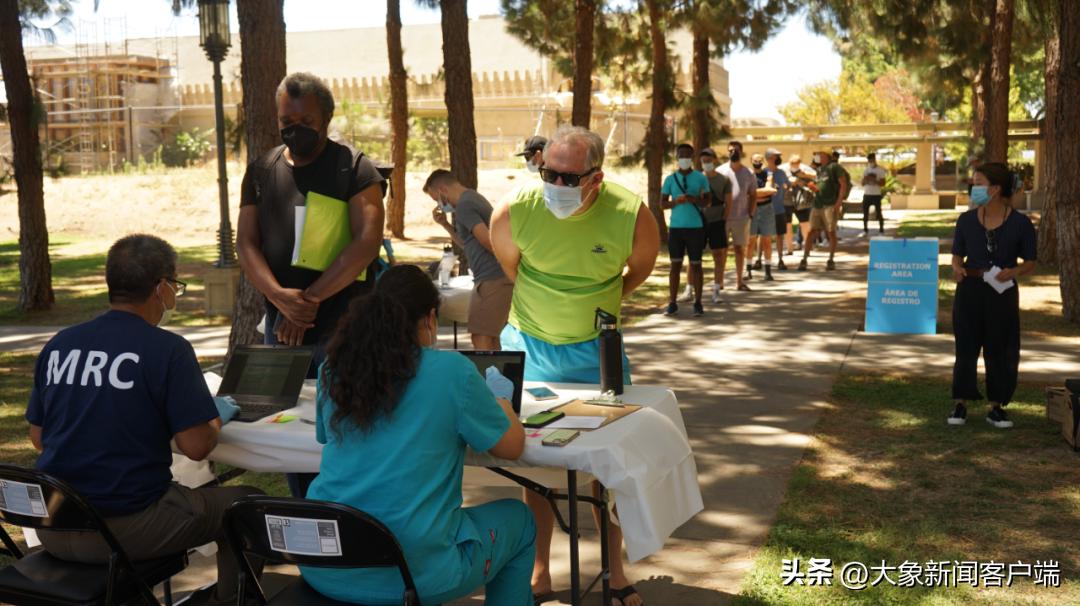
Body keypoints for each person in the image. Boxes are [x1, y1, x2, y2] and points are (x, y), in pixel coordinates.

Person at [27, 235, 262, 606]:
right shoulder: (167, 349)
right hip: (124, 529)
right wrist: (215, 416)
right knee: (249, 505)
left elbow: (39, 437)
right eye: (176, 287)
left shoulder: (60, 344)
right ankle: (229, 601)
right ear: (162, 287)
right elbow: (196, 447)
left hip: (53, 524)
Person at [490, 124, 659, 606]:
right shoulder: (514, 208)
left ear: (596, 177)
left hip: (594, 350)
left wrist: (596, 301)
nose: (556, 185)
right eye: (550, 174)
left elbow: (639, 270)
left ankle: (615, 572)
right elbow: (511, 268)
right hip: (530, 345)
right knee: (534, 461)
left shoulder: (630, 214)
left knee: (609, 466)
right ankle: (539, 572)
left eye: (569, 178)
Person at [300, 265, 534, 604]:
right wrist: (502, 403)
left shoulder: (333, 369)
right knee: (520, 521)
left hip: (325, 566)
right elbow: (511, 447)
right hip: (418, 576)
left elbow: (325, 436)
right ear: (430, 318)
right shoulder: (452, 370)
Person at [235, 72, 386, 497]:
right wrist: (279, 298)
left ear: (327, 119)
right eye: (287, 121)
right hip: (281, 327)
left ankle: (352, 515)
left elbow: (367, 242)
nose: (295, 130)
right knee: (286, 430)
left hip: (345, 328)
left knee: (349, 428)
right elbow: (246, 243)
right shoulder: (261, 170)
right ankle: (304, 513)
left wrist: (309, 301)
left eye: (306, 122)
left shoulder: (354, 168)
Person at [947, 163, 1037, 429]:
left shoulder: (1021, 223)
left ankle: (996, 406)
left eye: (978, 184)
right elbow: (957, 255)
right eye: (973, 183)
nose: (973, 188)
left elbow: (1030, 261)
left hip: (1002, 292)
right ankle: (960, 403)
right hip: (970, 290)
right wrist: (957, 268)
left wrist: (1014, 272)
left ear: (996, 189)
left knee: (999, 348)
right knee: (966, 347)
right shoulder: (966, 220)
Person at [425, 169, 515, 350]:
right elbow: (467, 242)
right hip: (495, 277)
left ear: (443, 190)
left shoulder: (464, 205)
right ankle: (496, 368)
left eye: (437, 199)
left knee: (481, 335)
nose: (439, 204)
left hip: (491, 278)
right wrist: (445, 225)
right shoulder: (471, 199)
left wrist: (509, 266)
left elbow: (487, 240)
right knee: (491, 335)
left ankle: (489, 369)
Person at [661, 142, 710, 316]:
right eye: (681, 155)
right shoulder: (670, 179)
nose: (684, 158)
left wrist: (694, 199)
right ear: (677, 157)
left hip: (695, 228)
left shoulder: (700, 178)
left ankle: (698, 303)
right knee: (675, 265)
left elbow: (707, 201)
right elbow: (662, 204)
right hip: (676, 228)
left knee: (696, 265)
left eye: (687, 156)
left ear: (692, 158)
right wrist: (675, 202)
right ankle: (672, 303)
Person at [798, 150, 848, 271]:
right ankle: (804, 259)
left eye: (820, 155)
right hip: (817, 204)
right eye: (817, 155)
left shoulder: (834, 167)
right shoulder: (820, 170)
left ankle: (831, 260)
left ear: (827, 156)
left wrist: (839, 202)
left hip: (830, 205)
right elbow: (819, 188)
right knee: (811, 231)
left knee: (830, 232)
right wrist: (812, 187)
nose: (818, 157)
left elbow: (843, 184)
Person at [719, 141, 758, 291]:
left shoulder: (748, 173)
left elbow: (753, 194)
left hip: (741, 217)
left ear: (741, 152)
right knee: (721, 250)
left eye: (736, 150)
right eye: (730, 150)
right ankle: (720, 281)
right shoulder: (720, 171)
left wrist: (751, 212)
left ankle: (739, 281)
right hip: (723, 218)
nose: (733, 153)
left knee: (739, 249)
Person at [701, 147, 733, 302]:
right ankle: (689, 289)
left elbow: (729, 203)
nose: (706, 163)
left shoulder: (724, 180)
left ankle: (716, 289)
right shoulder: (697, 179)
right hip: (699, 222)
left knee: (718, 256)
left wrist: (723, 220)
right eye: (703, 161)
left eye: (709, 160)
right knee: (694, 256)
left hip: (717, 222)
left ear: (714, 160)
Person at [764, 149, 791, 268]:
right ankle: (761, 260)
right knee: (765, 236)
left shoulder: (781, 173)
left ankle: (780, 260)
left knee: (780, 235)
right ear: (769, 158)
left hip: (779, 209)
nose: (778, 159)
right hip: (765, 210)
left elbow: (788, 185)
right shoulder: (763, 173)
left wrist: (785, 190)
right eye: (776, 156)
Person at [784, 154, 817, 250]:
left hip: (802, 201)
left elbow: (815, 176)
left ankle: (808, 246)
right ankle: (789, 248)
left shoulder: (805, 168)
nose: (795, 166)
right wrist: (790, 182)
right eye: (793, 164)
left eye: (796, 164)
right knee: (787, 224)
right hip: (787, 200)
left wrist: (803, 175)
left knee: (805, 223)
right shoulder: (783, 169)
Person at [862, 152, 887, 235]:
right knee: (865, 213)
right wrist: (866, 180)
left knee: (879, 212)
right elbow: (862, 183)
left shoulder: (880, 170)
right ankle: (865, 229)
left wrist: (875, 180)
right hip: (867, 194)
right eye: (869, 160)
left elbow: (883, 183)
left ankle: (881, 229)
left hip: (876, 194)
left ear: (874, 159)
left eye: (872, 160)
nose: (871, 162)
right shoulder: (866, 170)